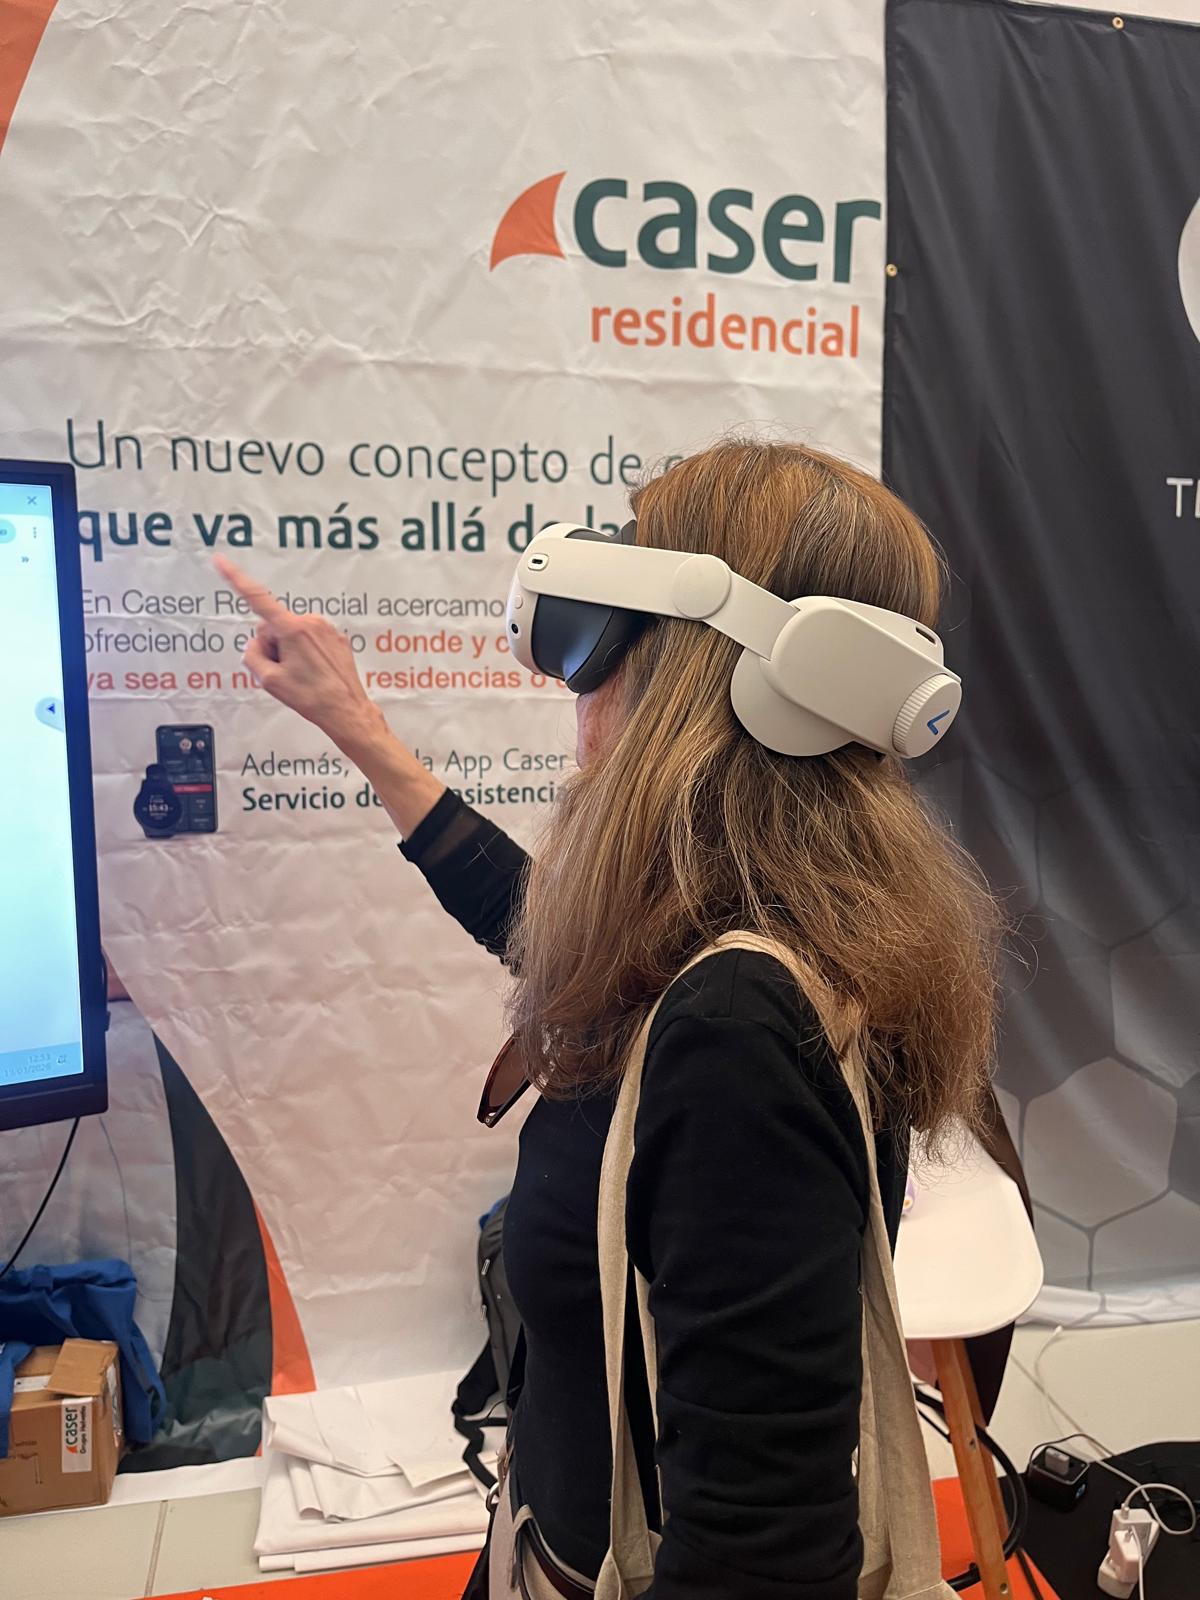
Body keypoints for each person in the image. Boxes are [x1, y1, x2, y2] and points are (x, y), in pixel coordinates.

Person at [216, 439, 1002, 1600]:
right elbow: (537, 925)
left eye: (601, 640)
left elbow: (762, 1563)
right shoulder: (759, 936)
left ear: (694, 681)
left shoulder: (739, 1034)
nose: (578, 692)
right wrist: (364, 732)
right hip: (551, 1523)